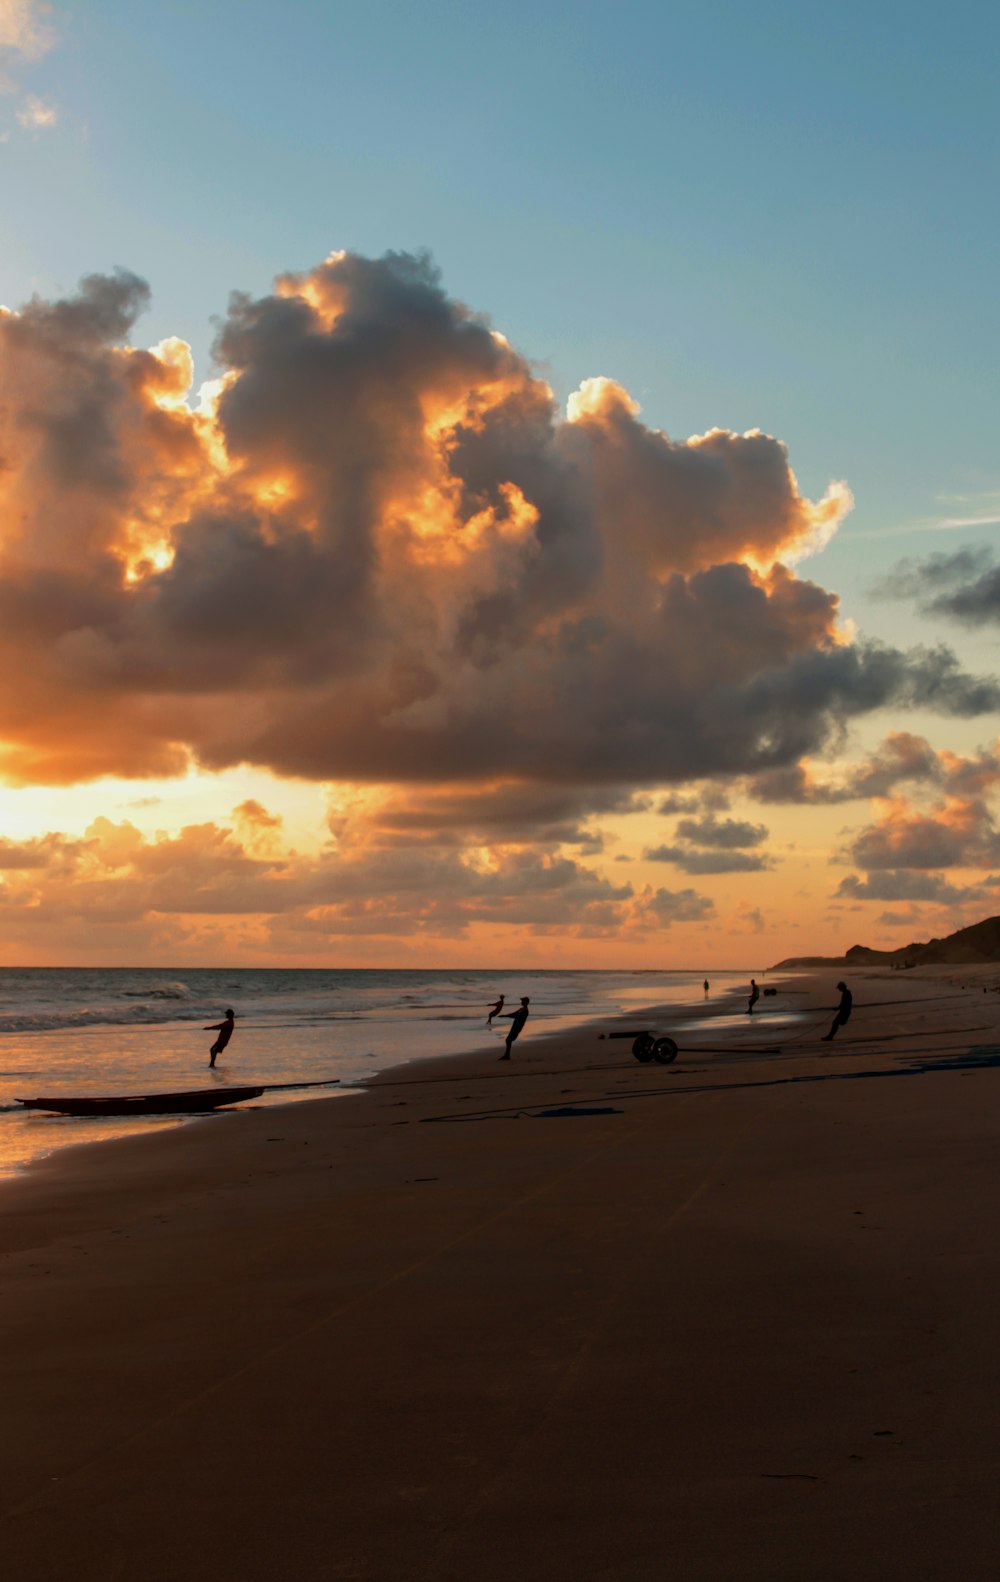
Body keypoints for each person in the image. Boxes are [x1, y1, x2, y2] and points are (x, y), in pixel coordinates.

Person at [498, 996, 530, 1060]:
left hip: (517, 1027)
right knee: (508, 1040)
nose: (521, 1002)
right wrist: (504, 1016)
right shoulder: (521, 1009)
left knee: (508, 1040)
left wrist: (505, 1016)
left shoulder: (525, 1011)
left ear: (526, 1002)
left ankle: (507, 1055)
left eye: (523, 1001)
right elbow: (513, 1014)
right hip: (515, 1026)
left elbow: (516, 1016)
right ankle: (507, 1055)